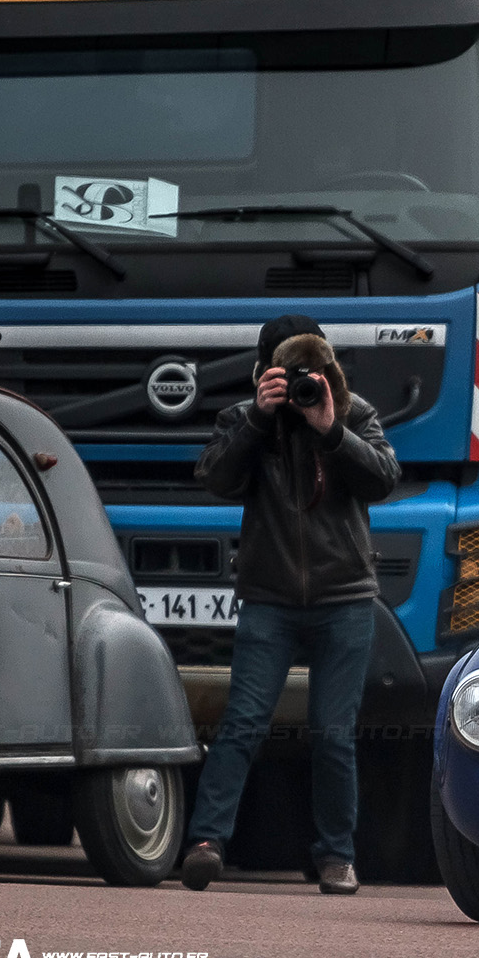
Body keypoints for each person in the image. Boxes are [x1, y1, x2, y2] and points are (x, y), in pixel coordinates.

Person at [179, 314, 400, 896]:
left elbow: (384, 479)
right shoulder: (244, 419)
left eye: (311, 370)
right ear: (263, 372)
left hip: (344, 599)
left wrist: (330, 428)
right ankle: (206, 843)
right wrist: (258, 417)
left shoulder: (353, 414)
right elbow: (216, 479)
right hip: (270, 600)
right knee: (242, 725)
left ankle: (335, 857)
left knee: (333, 731)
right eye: (286, 372)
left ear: (327, 370)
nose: (301, 382)